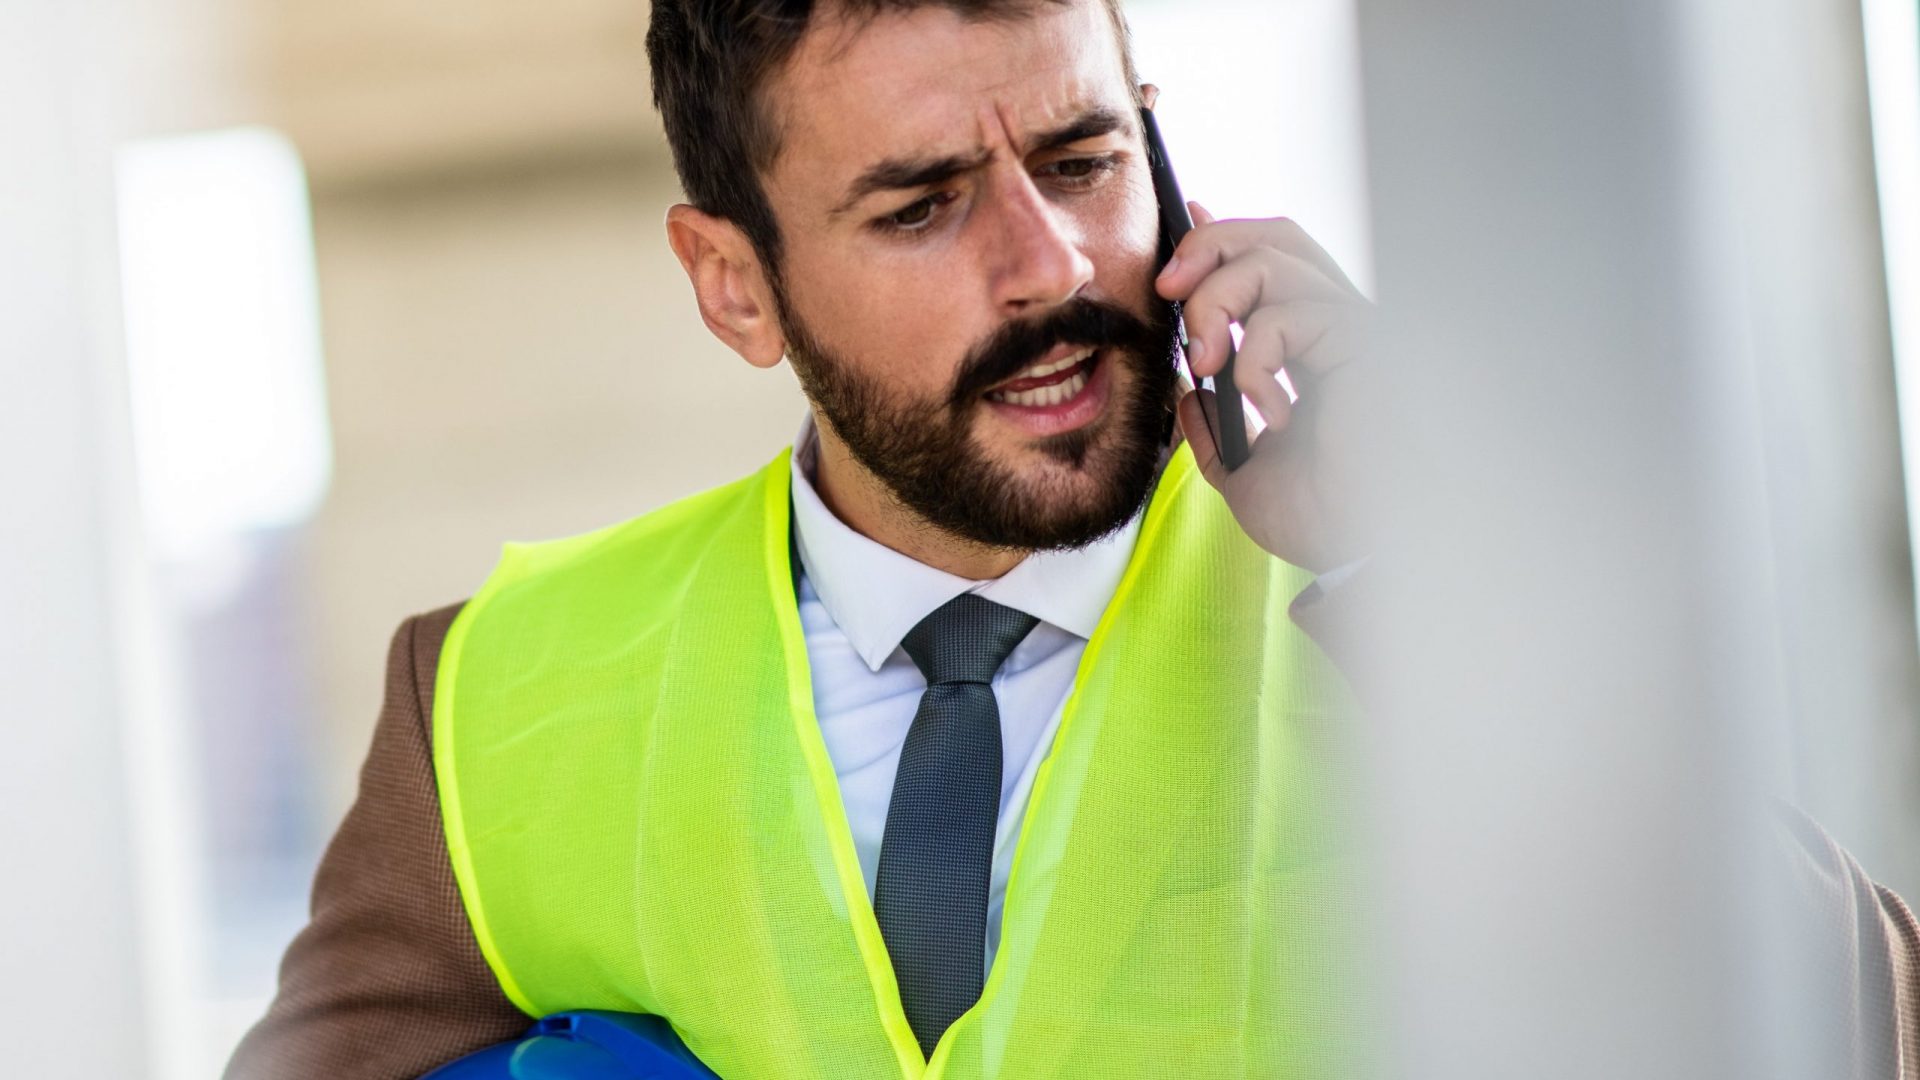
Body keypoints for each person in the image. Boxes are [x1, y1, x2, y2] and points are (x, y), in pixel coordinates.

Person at [224, 1, 1920, 1077]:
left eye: (1082, 156)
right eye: (921, 206)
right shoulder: (492, 697)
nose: (1045, 267)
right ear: (731, 282)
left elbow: (1845, 1025)